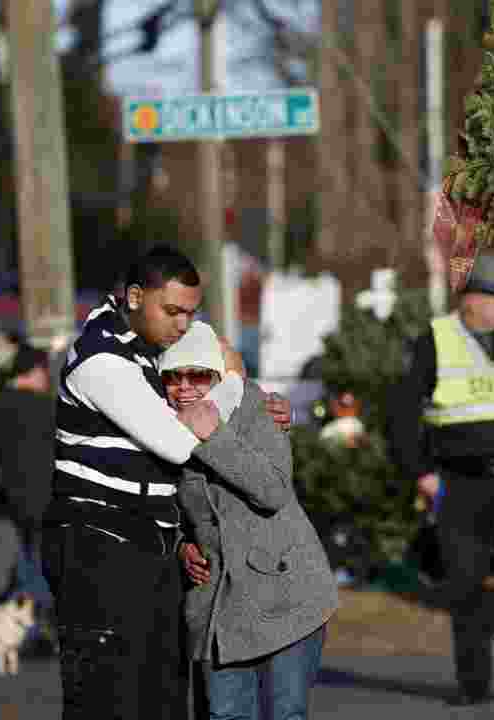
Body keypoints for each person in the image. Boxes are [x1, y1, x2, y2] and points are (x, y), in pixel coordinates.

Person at [41, 245, 292, 720]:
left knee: (163, 699)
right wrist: (237, 383)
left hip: (151, 549)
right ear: (135, 297)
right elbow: (178, 442)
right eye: (172, 311)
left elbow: (205, 391)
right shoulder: (103, 359)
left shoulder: (150, 348)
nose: (183, 325)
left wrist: (262, 404)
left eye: (191, 313)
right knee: (108, 699)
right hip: (98, 546)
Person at [389, 250, 494, 706]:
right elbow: (403, 414)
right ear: (474, 299)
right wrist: (421, 473)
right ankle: (473, 686)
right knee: (465, 588)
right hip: (460, 485)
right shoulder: (436, 340)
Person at [164, 321, 338, 720]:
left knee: (285, 713)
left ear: (217, 375)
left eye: (198, 375)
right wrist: (179, 546)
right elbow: (158, 503)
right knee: (226, 715)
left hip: (288, 591)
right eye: (173, 377)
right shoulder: (156, 427)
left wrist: (213, 437)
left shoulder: (258, 408)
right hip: (218, 605)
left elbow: (272, 490)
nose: (185, 386)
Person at [0, 344, 58, 652]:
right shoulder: (46, 406)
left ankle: (20, 620)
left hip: (15, 498)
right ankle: (38, 623)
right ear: (35, 371)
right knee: (44, 562)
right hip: (47, 496)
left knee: (28, 556)